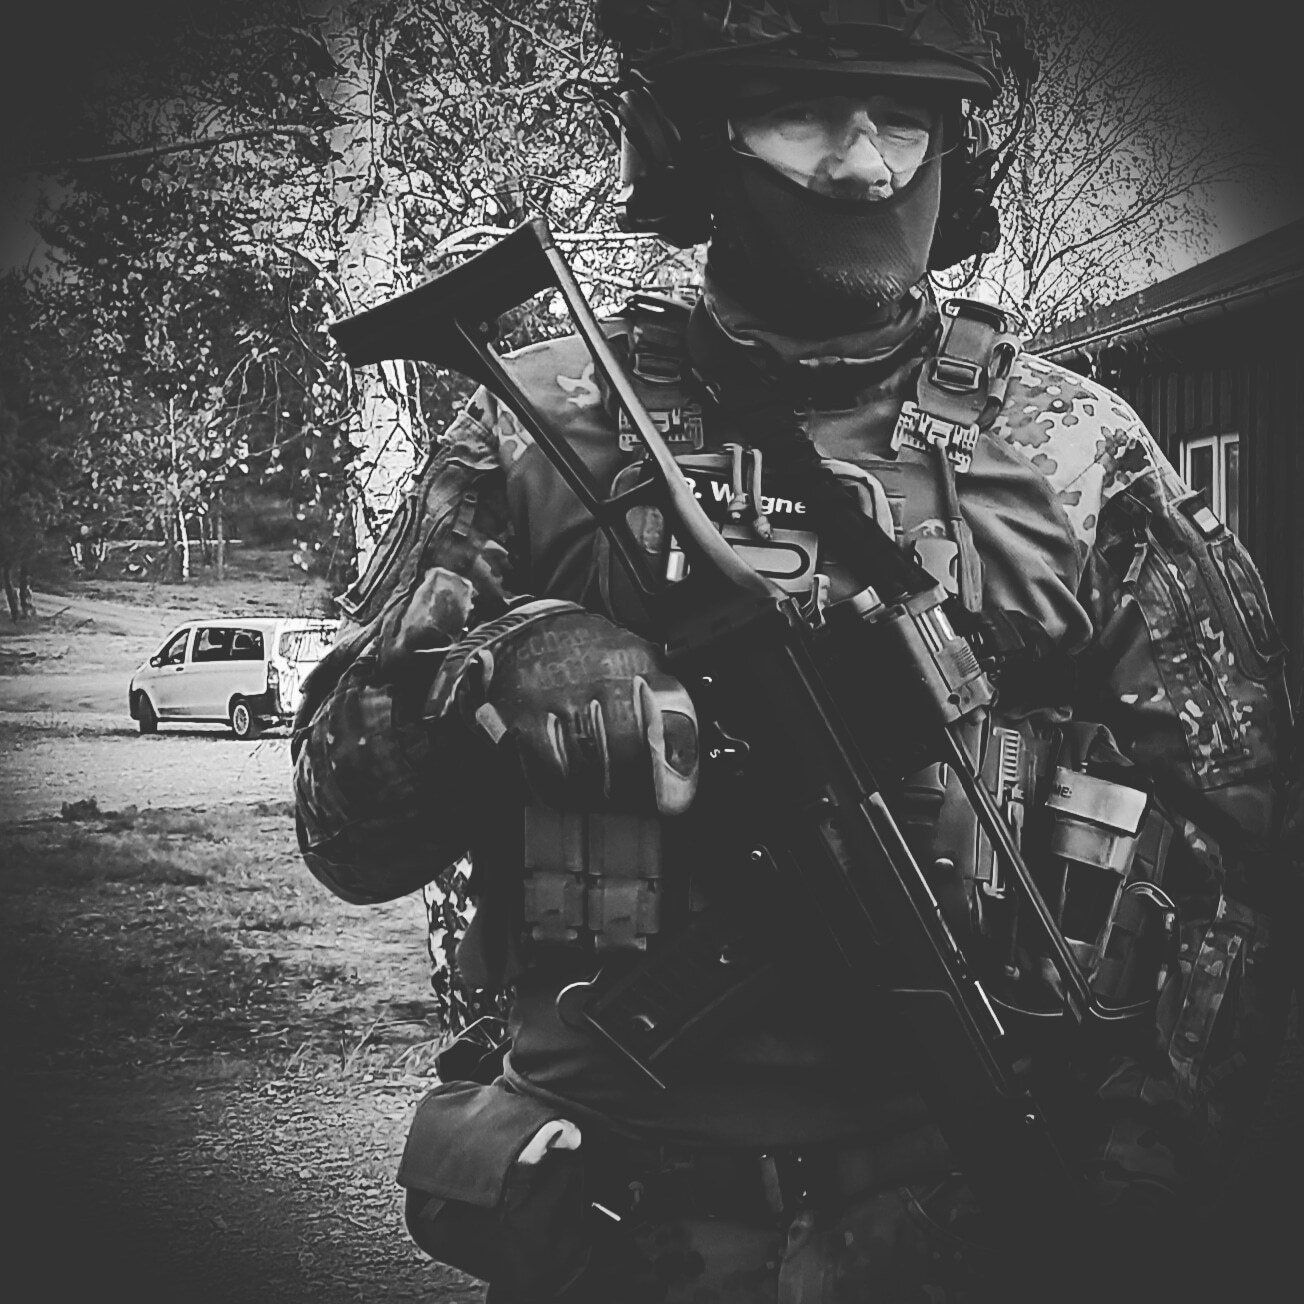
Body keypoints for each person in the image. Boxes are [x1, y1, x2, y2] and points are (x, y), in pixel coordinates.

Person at [292, 2, 1298, 1299]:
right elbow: (345, 838)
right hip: (616, 1219)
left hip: (980, 1209)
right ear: (694, 141)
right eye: (802, 114)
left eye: (903, 119)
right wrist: (498, 670)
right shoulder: (537, 428)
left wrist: (1149, 1182)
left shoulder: (1074, 453)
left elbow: (1257, 850)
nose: (863, 165)